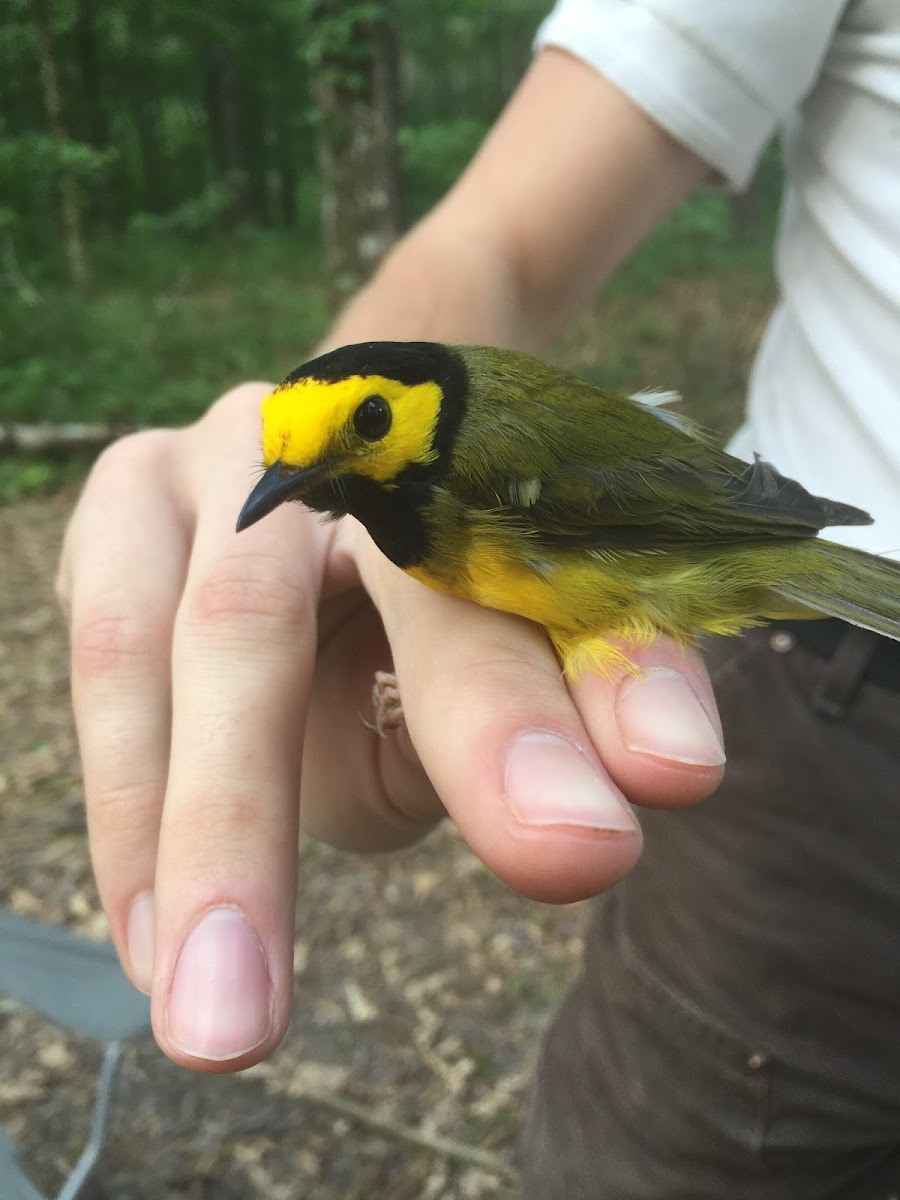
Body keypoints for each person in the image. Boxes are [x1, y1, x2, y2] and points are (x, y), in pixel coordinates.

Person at [57, 1, 900, 1194]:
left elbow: (651, 522)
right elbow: (491, 243)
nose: (323, 469)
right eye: (296, 465)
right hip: (812, 748)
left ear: (416, 409)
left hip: (719, 562)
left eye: (356, 429)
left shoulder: (483, 474)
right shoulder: (405, 506)